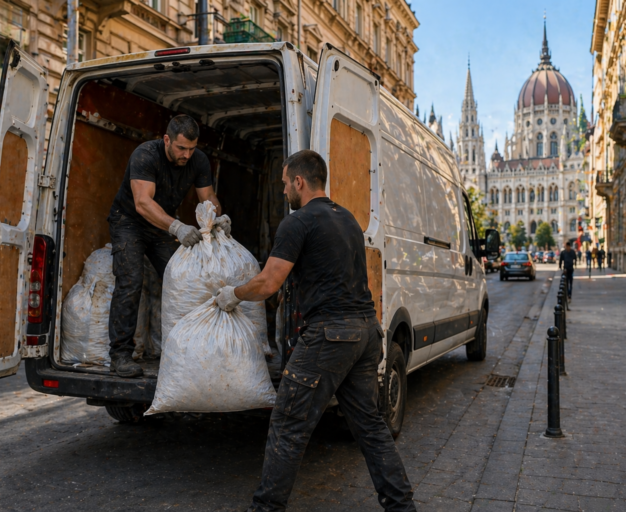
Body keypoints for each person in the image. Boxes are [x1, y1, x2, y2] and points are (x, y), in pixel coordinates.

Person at [215, 150, 416, 512]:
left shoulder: (298, 222)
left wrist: (233, 294)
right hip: (367, 333)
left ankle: (266, 508)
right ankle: (402, 506)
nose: (282, 192)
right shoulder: (348, 219)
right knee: (370, 427)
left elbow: (268, 283)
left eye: (284, 183)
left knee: (288, 424)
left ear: (299, 181)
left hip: (330, 336)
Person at [107, 114, 230, 377]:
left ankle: (189, 349)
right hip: (129, 222)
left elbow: (208, 197)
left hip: (160, 225)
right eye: (181, 148)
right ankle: (120, 355)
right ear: (167, 139)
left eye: (192, 148)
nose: (187, 155)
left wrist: (217, 217)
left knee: (183, 280)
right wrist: (177, 227)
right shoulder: (146, 155)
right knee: (131, 280)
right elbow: (142, 203)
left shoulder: (198, 160)